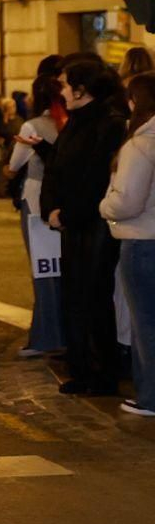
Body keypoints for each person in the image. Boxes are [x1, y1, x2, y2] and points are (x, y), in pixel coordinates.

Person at [41, 59, 127, 395]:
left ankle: (101, 372)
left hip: (94, 225)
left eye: (65, 84)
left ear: (83, 88)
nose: (60, 91)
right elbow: (56, 166)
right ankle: (80, 367)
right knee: (74, 295)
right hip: (71, 223)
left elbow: (96, 178)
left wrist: (69, 213)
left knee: (94, 297)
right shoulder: (76, 122)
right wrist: (51, 208)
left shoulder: (109, 124)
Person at [101, 72, 155, 416]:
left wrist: (104, 206)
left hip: (141, 242)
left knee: (145, 324)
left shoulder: (140, 144)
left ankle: (149, 396)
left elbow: (127, 200)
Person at [9, 88, 65, 357]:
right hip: (66, 201)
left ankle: (46, 335)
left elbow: (13, 164)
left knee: (44, 269)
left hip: (37, 200)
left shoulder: (33, 126)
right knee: (62, 269)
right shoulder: (69, 122)